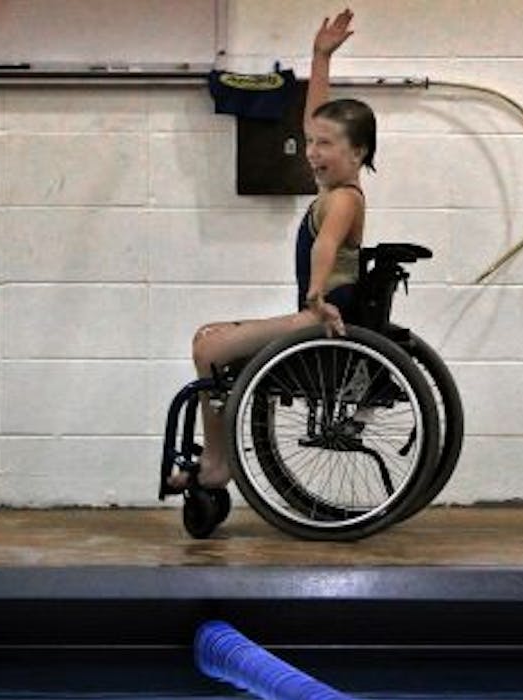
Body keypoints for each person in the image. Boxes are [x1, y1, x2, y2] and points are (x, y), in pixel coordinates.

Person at [170, 8, 375, 492]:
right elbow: (314, 117)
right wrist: (320, 57)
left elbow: (325, 247)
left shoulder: (344, 199)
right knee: (208, 339)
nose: (312, 151)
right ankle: (218, 459)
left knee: (208, 349)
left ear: (358, 153)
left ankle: (217, 465)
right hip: (316, 310)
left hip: (322, 313)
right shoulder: (334, 189)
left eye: (325, 145)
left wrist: (316, 295)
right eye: (311, 143)